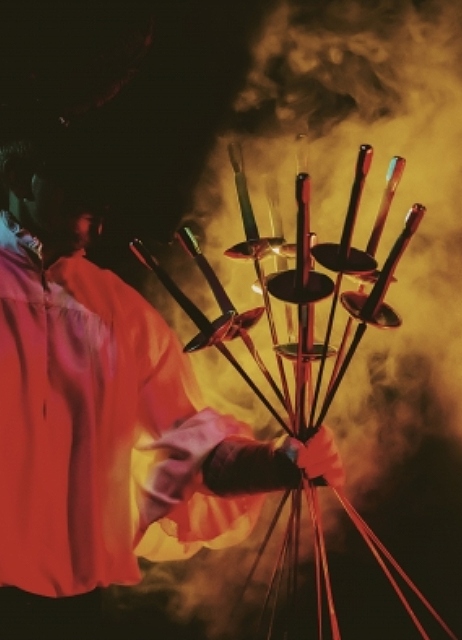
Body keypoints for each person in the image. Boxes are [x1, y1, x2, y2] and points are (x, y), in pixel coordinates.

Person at [0, 131, 345, 637]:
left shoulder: (120, 314)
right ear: (17, 178)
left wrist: (275, 461)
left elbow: (191, 452)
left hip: (65, 608)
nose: (96, 210)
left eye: (102, 195)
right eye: (77, 187)